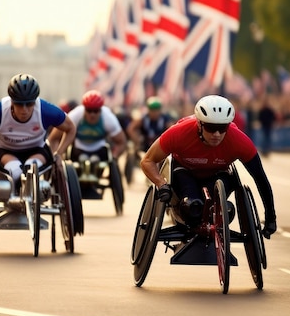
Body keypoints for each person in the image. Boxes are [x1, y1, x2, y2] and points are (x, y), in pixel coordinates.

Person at [140, 95, 277, 242]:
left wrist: (270, 217)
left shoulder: (239, 140)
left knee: (223, 209)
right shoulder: (179, 132)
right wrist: (161, 184)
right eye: (211, 128)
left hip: (218, 174)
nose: (216, 134)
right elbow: (147, 161)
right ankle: (189, 214)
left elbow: (260, 178)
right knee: (191, 207)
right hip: (185, 172)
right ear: (199, 124)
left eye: (222, 128)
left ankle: (216, 214)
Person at [0, 73, 76, 184]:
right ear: (12, 101)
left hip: (37, 150)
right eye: (19, 104)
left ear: (35, 101)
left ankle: (36, 193)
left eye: (29, 104)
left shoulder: (46, 111)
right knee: (15, 170)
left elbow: (70, 128)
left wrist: (59, 153)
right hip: (6, 151)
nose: (24, 110)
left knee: (31, 169)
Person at [63, 89, 127, 164]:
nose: (92, 114)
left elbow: (122, 142)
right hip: (78, 149)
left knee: (100, 161)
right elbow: (56, 137)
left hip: (99, 149)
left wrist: (114, 157)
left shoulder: (108, 118)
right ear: (84, 108)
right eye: (89, 110)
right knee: (80, 158)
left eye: (96, 111)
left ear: (101, 109)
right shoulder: (75, 115)